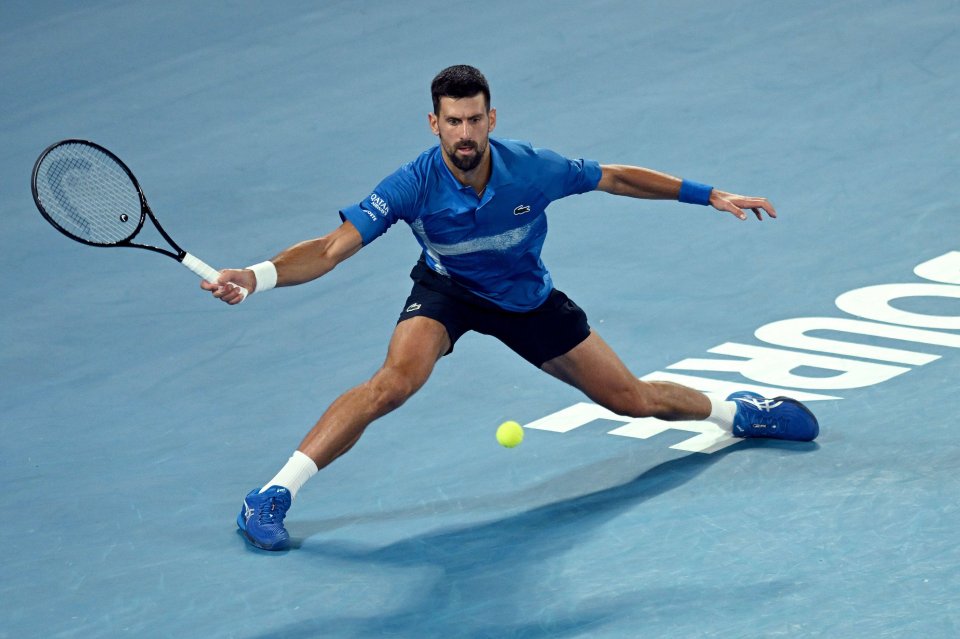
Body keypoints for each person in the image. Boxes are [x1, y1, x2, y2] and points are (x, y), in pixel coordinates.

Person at [204, 65, 819, 551]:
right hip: (449, 291)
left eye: (475, 120)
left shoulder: (533, 169)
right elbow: (332, 247)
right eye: (453, 122)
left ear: (491, 117)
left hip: (527, 299)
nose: (465, 134)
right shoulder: (411, 184)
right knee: (392, 384)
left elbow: (616, 178)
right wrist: (255, 278)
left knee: (633, 400)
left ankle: (738, 412)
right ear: (433, 124)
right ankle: (273, 494)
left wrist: (707, 194)